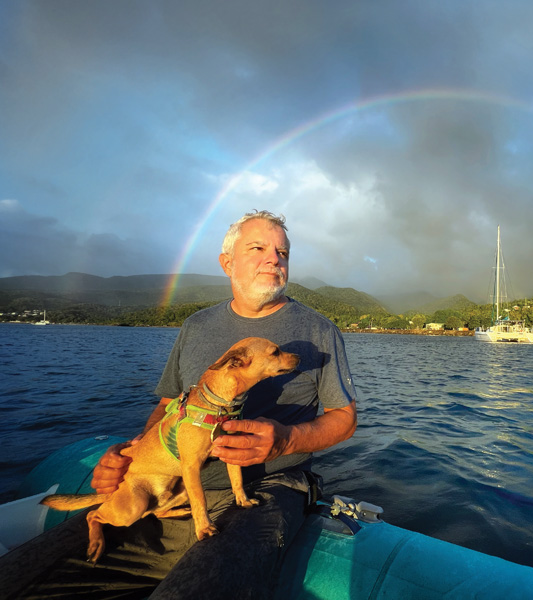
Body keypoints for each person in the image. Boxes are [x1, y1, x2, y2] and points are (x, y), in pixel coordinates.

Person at [16, 210, 358, 599]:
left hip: (268, 486)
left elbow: (345, 419)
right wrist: (132, 455)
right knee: (19, 580)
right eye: (258, 248)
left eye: (283, 252)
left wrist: (285, 440)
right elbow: (167, 406)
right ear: (227, 262)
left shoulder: (318, 330)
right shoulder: (196, 326)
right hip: (169, 487)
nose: (274, 259)